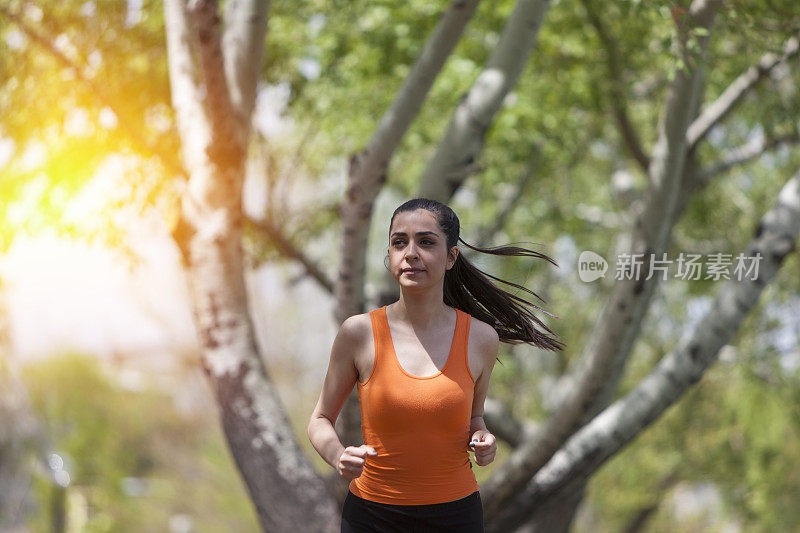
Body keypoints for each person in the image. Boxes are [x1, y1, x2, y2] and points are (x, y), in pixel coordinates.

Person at [307, 198, 564, 532]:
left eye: (426, 242)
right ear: (390, 255)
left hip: (455, 517)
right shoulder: (359, 333)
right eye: (400, 242)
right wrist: (337, 455)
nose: (411, 252)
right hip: (371, 516)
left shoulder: (481, 339)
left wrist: (483, 439)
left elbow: (473, 417)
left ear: (451, 257)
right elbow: (320, 419)